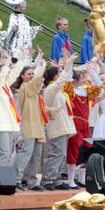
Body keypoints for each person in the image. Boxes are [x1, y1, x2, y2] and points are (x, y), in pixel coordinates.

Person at [13, 55, 50, 189]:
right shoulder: (25, 88)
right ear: (22, 76)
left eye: (32, 74)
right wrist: (43, 66)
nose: (31, 76)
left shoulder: (35, 93)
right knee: (25, 154)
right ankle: (16, 179)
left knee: (36, 156)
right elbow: (38, 81)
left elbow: (40, 109)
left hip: (38, 127)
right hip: (28, 127)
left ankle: (32, 182)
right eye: (28, 74)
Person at [41, 54, 76, 190]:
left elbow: (64, 79)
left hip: (62, 126)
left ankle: (55, 179)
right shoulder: (51, 89)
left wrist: (66, 66)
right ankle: (48, 179)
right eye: (59, 73)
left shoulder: (57, 90)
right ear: (54, 77)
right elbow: (63, 80)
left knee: (61, 154)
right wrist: (68, 64)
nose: (61, 75)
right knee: (55, 153)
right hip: (55, 126)